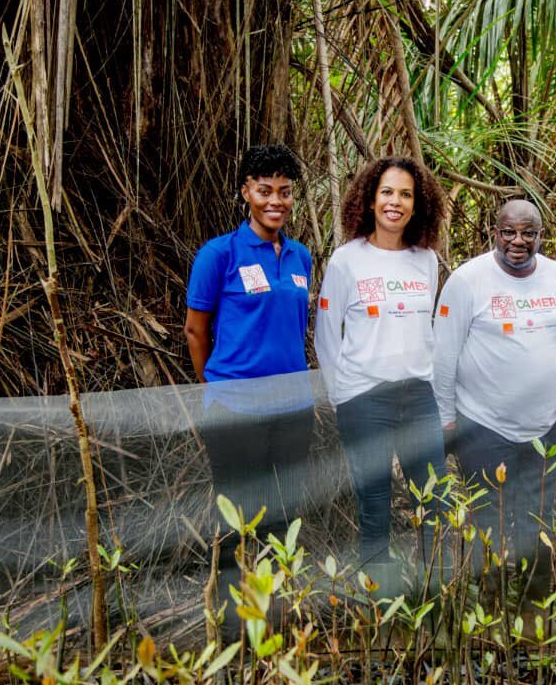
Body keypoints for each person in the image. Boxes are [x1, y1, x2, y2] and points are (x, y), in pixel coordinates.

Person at [184, 144, 314, 635]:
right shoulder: (218, 254)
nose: (275, 201)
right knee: (239, 514)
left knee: (285, 511)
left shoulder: (299, 255)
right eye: (264, 191)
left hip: (294, 408)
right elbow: (196, 331)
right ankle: (237, 625)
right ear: (246, 193)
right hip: (235, 409)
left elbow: (294, 328)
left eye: (284, 191)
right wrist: (214, 388)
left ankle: (278, 614)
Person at [433, 199, 556, 614]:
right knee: (488, 523)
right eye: (509, 232)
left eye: (528, 233)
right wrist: (446, 420)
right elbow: (443, 357)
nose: (518, 242)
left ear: (540, 235)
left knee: (538, 522)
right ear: (494, 232)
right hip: (483, 427)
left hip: (541, 429)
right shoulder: (467, 281)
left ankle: (535, 611)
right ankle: (490, 613)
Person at [314, 156, 450, 597]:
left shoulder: (426, 260)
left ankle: (432, 603)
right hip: (364, 400)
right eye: (387, 192)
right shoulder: (346, 261)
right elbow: (326, 336)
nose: (395, 202)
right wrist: (343, 396)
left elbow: (425, 332)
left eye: (406, 194)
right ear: (370, 200)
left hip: (417, 398)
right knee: (374, 507)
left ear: (417, 205)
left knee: (432, 503)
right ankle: (379, 605)